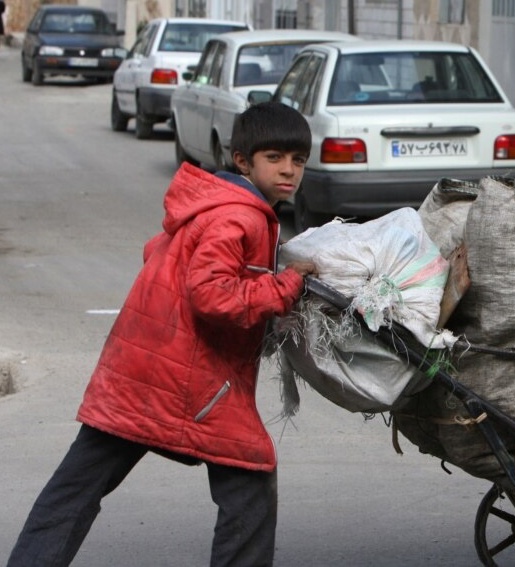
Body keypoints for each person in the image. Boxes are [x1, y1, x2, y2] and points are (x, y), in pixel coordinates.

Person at [6, 101, 317, 567]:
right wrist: (287, 284)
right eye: (274, 158)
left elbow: (158, 251)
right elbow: (213, 296)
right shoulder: (242, 216)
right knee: (250, 482)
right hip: (188, 379)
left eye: (298, 160)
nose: (288, 170)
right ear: (242, 161)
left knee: (75, 489)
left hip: (139, 368)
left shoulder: (214, 204)